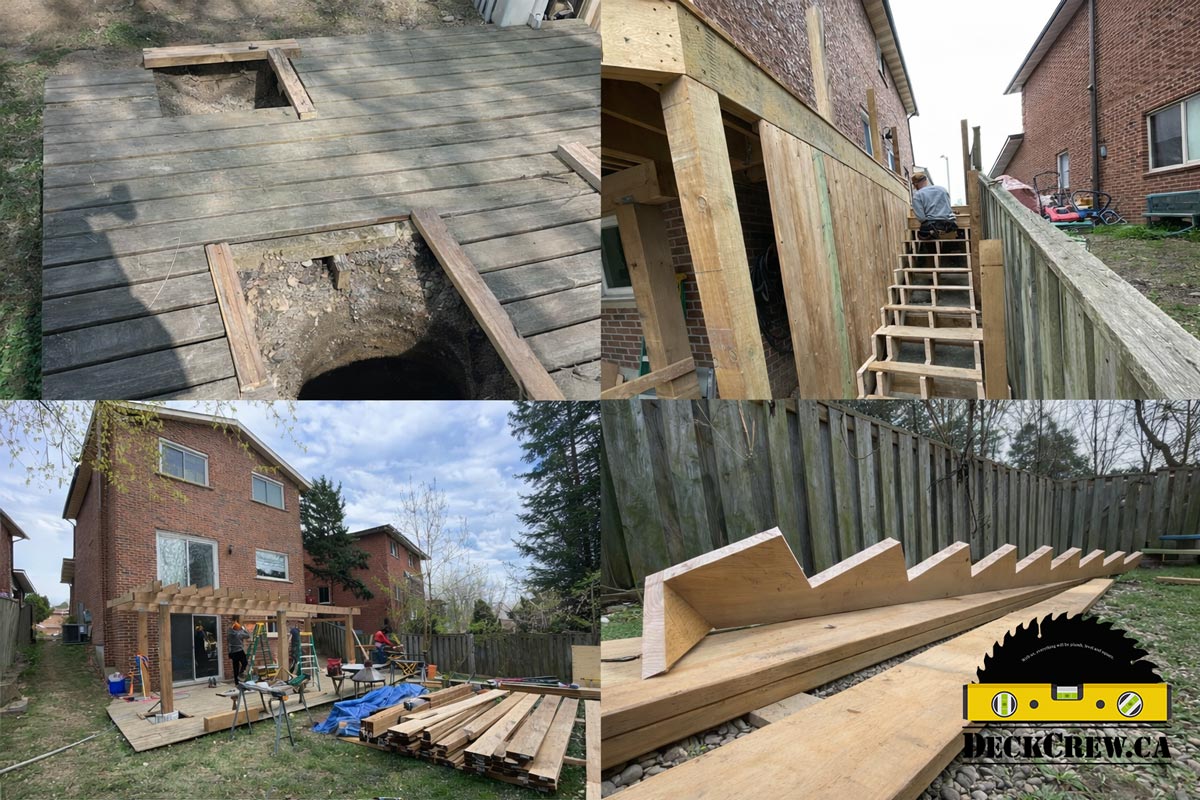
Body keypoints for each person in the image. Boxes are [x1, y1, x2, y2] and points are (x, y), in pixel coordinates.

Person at [910, 171, 959, 240]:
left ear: (916, 184)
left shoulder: (917, 195)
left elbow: (921, 218)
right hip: (949, 225)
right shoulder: (942, 189)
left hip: (932, 226)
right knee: (950, 242)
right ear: (926, 180)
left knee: (924, 236)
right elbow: (947, 207)